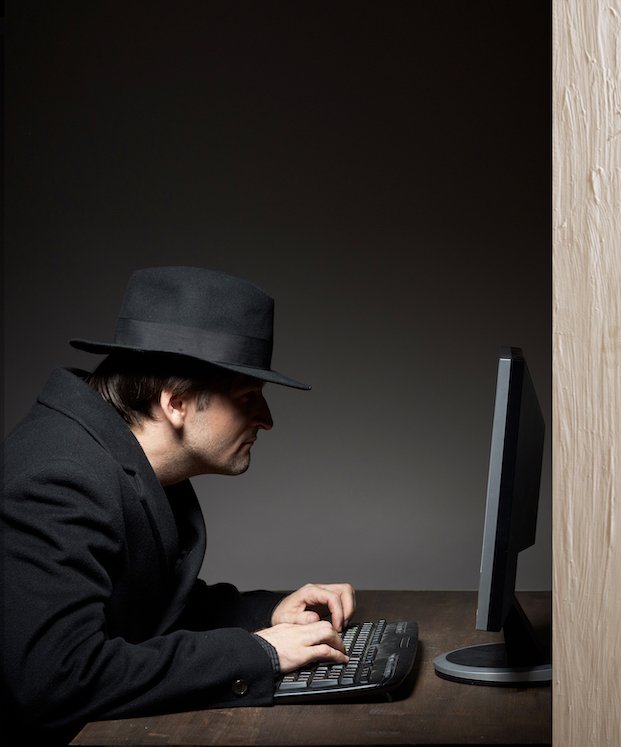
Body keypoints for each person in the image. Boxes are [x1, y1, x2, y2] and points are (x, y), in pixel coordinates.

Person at [2, 267, 356, 743]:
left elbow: (137, 612)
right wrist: (261, 655)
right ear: (176, 402)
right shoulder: (59, 477)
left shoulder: (112, 452)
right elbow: (59, 680)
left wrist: (267, 613)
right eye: (249, 397)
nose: (266, 420)